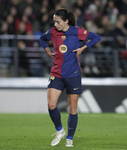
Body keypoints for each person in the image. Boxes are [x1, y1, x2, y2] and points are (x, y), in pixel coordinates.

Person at [39, 8, 101, 147]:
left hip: (73, 74)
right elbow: (42, 38)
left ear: (66, 21)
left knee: (72, 108)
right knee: (51, 104)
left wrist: (82, 48)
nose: (55, 25)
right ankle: (60, 130)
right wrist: (48, 51)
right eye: (54, 21)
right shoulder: (52, 31)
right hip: (56, 73)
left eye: (58, 22)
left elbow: (96, 37)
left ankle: (70, 138)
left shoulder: (77, 31)